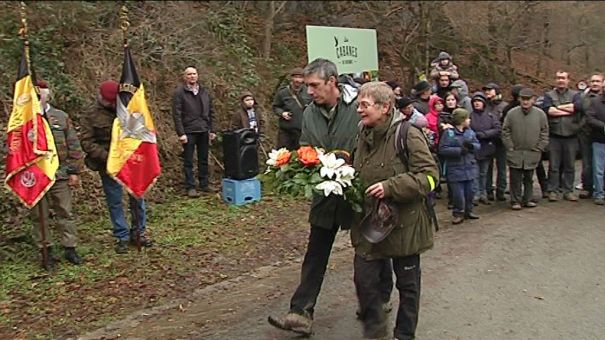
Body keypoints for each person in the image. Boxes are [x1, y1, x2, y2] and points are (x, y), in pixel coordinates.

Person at [267, 58, 361, 336]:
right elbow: (307, 146)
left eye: (314, 85)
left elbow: (373, 143)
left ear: (332, 82)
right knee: (316, 252)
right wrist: (304, 165)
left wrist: (349, 163)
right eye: (307, 86)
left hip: (358, 190)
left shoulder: (358, 107)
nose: (309, 91)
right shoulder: (309, 113)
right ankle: (300, 312)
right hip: (325, 193)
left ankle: (375, 302)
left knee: (368, 253)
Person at [352, 81, 438, 340]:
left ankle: (404, 334)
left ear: (385, 107)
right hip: (370, 225)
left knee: (408, 286)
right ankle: (375, 332)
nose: (359, 110)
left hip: (405, 226)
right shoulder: (362, 133)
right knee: (364, 282)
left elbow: (431, 176)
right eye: (358, 105)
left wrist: (391, 187)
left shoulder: (408, 135)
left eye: (364, 105)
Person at [81, 80, 153, 254]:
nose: (113, 104)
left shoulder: (129, 108)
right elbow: (86, 141)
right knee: (115, 201)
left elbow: (141, 131)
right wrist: (109, 157)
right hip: (108, 163)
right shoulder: (91, 114)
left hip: (131, 161)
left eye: (116, 101)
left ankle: (139, 232)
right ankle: (121, 235)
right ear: (102, 98)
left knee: (137, 196)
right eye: (110, 102)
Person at [31, 81, 84, 270]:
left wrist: (74, 171)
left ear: (48, 96)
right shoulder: (24, 119)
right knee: (40, 215)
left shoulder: (60, 117)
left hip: (60, 174)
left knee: (65, 212)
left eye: (41, 95)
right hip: (35, 177)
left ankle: (70, 248)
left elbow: (73, 145)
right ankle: (46, 251)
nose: (38, 98)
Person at [172, 66, 216, 198]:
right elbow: (177, 114)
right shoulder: (179, 93)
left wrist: (212, 129)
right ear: (185, 77)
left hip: (204, 129)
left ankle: (204, 184)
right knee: (188, 160)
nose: (192, 76)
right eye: (189, 74)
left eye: (194, 74)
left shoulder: (204, 91)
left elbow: (211, 111)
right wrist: (181, 133)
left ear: (198, 76)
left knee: (203, 159)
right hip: (189, 131)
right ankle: (190, 186)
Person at [502, 88, 549, 210]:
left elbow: (545, 131)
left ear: (533, 100)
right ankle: (515, 201)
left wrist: (540, 147)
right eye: (523, 99)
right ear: (519, 99)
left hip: (532, 151)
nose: (525, 102)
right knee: (515, 178)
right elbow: (505, 131)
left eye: (528, 99)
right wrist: (510, 146)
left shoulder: (540, 114)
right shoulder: (512, 113)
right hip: (515, 151)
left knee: (529, 177)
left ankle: (528, 199)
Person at [542, 71, 582, 202]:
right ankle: (552, 190)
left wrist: (557, 107)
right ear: (555, 80)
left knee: (570, 165)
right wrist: (567, 110)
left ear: (568, 80)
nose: (561, 80)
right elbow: (549, 110)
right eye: (558, 78)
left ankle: (568, 191)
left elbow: (577, 108)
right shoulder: (549, 95)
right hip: (554, 136)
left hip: (571, 136)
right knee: (553, 165)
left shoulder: (576, 94)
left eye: (563, 78)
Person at [439, 108, 480, 224]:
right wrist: (458, 150)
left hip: (469, 167)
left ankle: (469, 210)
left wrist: (472, 147)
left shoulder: (470, 132)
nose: (469, 120)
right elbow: (443, 149)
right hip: (455, 169)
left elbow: (478, 145)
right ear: (461, 120)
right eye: (467, 118)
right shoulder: (449, 133)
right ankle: (458, 213)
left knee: (470, 192)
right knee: (458, 194)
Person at [469, 92, 501, 205]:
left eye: (479, 101)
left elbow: (497, 129)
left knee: (484, 173)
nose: (477, 103)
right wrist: (475, 135)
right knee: (475, 173)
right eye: (475, 102)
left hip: (487, 148)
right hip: (474, 148)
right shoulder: (469, 116)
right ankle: (475, 195)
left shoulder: (491, 116)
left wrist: (485, 134)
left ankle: (483, 193)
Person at [272, 67, 312, 150]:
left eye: (300, 77)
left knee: (302, 156)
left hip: (303, 132)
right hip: (286, 131)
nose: (298, 80)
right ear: (291, 78)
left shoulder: (309, 91)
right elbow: (275, 106)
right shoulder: (283, 92)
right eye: (295, 77)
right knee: (283, 155)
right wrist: (282, 113)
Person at [578, 73, 604, 199]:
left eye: (598, 81)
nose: (595, 83)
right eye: (593, 81)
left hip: (600, 135)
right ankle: (587, 187)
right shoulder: (584, 96)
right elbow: (579, 108)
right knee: (588, 163)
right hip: (586, 134)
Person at [483, 83, 508, 201]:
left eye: (489, 90)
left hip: (501, 141)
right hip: (487, 140)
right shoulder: (484, 106)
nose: (487, 92)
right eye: (485, 90)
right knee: (487, 168)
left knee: (502, 167)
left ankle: (501, 191)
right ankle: (488, 191)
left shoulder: (504, 106)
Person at [586, 84, 605, 205]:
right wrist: (603, 126)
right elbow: (589, 118)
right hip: (599, 140)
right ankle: (599, 193)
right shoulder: (595, 101)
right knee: (598, 170)